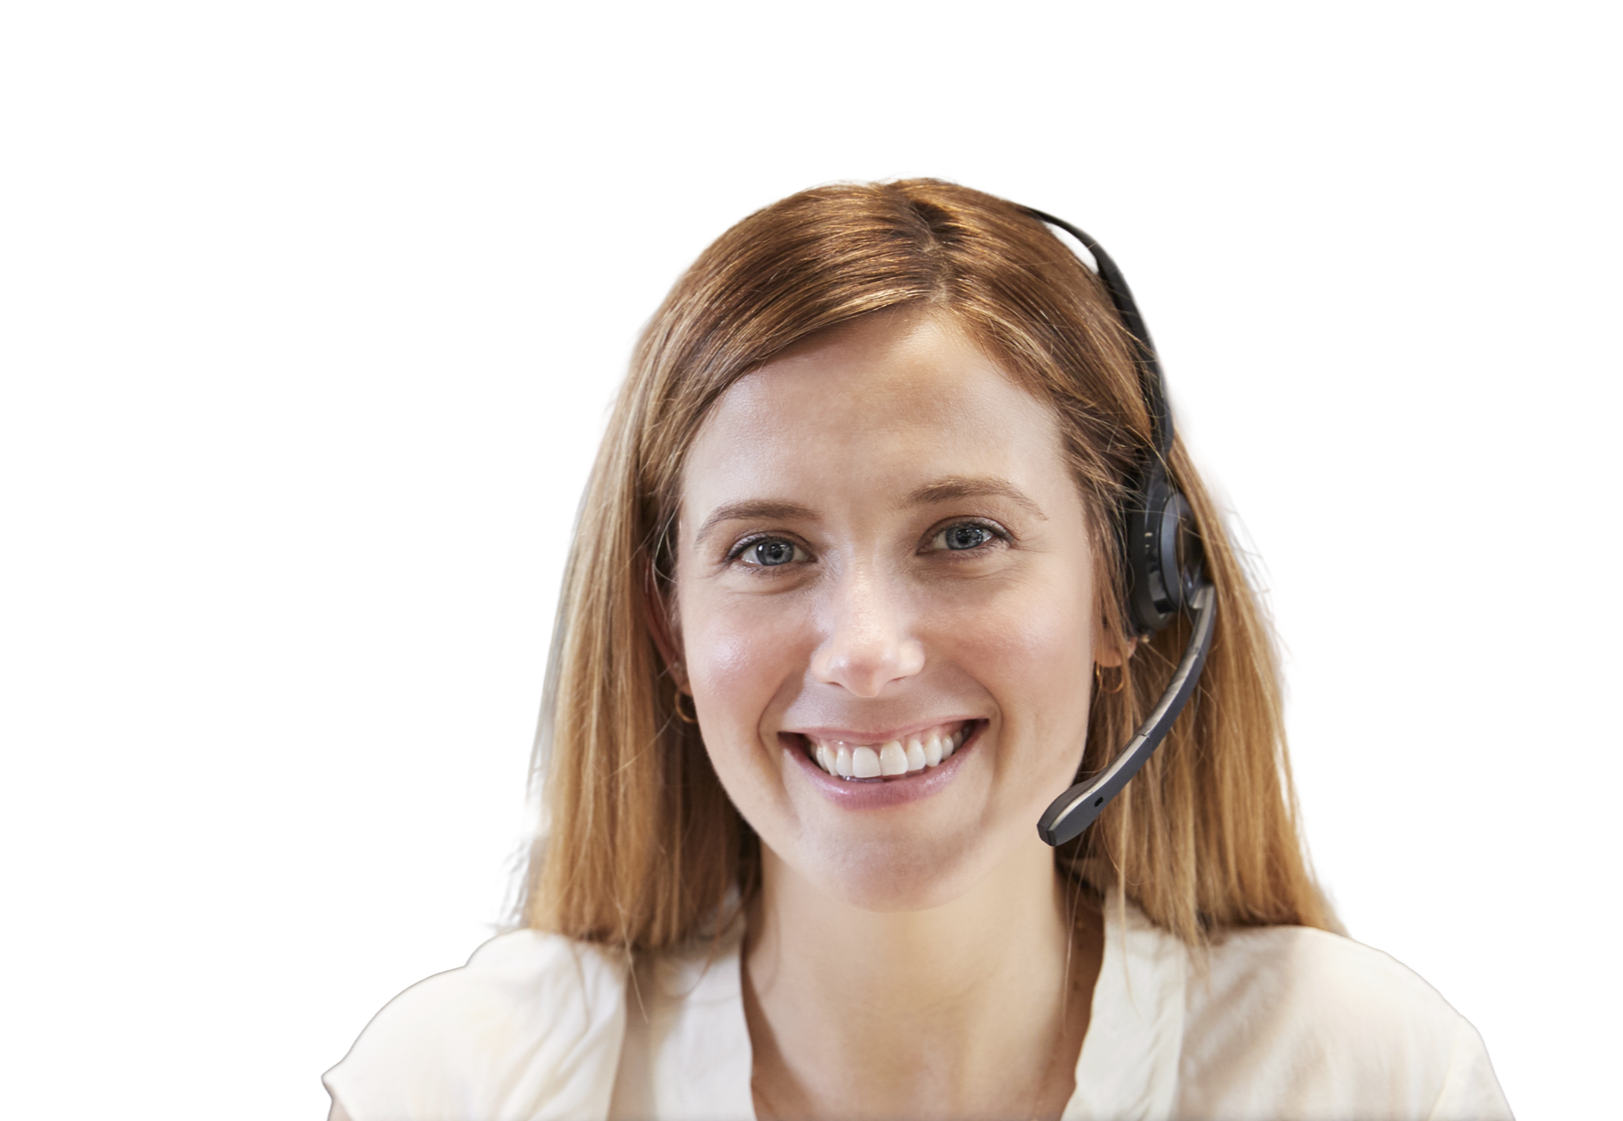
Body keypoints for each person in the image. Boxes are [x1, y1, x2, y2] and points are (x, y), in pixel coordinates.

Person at [321, 171, 1517, 1120]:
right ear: (667, 625)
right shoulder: (455, 1086)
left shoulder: (1367, 1077)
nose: (866, 651)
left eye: (964, 534)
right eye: (769, 549)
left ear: (1127, 589)